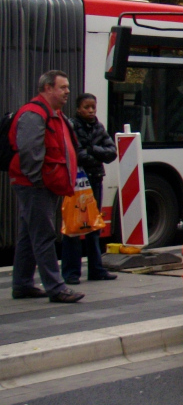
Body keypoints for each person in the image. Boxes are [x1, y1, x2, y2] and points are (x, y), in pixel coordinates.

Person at [8, 70, 83, 303]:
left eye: (67, 87)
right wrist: (38, 181)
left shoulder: (52, 113)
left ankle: (22, 284)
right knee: (43, 235)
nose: (67, 92)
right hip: (36, 185)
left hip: (42, 184)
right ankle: (56, 287)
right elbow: (30, 152)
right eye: (63, 87)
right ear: (47, 88)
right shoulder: (33, 114)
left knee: (29, 236)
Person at [61, 93, 118, 284]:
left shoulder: (98, 127)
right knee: (74, 226)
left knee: (94, 225)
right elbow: (75, 154)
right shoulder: (71, 126)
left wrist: (92, 150)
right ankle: (71, 273)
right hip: (77, 182)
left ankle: (96, 269)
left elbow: (112, 153)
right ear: (78, 109)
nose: (91, 111)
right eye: (87, 107)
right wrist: (96, 153)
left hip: (94, 179)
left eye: (93, 107)